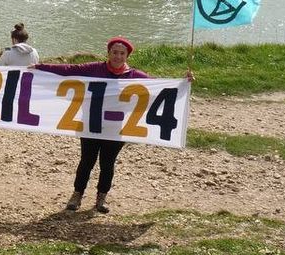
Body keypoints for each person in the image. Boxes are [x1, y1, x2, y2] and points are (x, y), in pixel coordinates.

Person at [33, 37, 192, 213]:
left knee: (107, 163)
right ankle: (77, 194)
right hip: (91, 125)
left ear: (127, 56)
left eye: (122, 53)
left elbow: (160, 89)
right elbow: (69, 70)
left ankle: (101, 197)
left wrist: (183, 83)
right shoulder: (94, 69)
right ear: (108, 53)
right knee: (87, 161)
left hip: (117, 129)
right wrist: (40, 68)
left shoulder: (135, 76)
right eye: (114, 52)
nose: (117, 57)